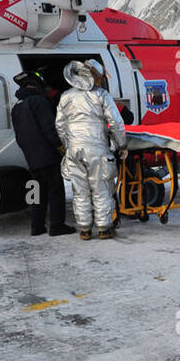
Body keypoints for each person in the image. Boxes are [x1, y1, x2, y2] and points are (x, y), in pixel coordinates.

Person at [55, 60, 127, 241]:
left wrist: (67, 144)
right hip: (97, 149)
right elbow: (116, 123)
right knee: (101, 189)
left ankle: (84, 229)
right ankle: (103, 228)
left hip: (74, 151)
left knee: (80, 191)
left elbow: (60, 125)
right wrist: (122, 145)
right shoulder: (101, 95)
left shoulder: (65, 96)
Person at [10, 70, 74, 237]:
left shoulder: (17, 106)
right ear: (37, 85)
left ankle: (36, 226)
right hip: (47, 155)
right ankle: (57, 226)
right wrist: (60, 147)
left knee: (37, 192)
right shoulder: (38, 101)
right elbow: (49, 129)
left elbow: (18, 136)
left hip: (31, 157)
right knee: (56, 190)